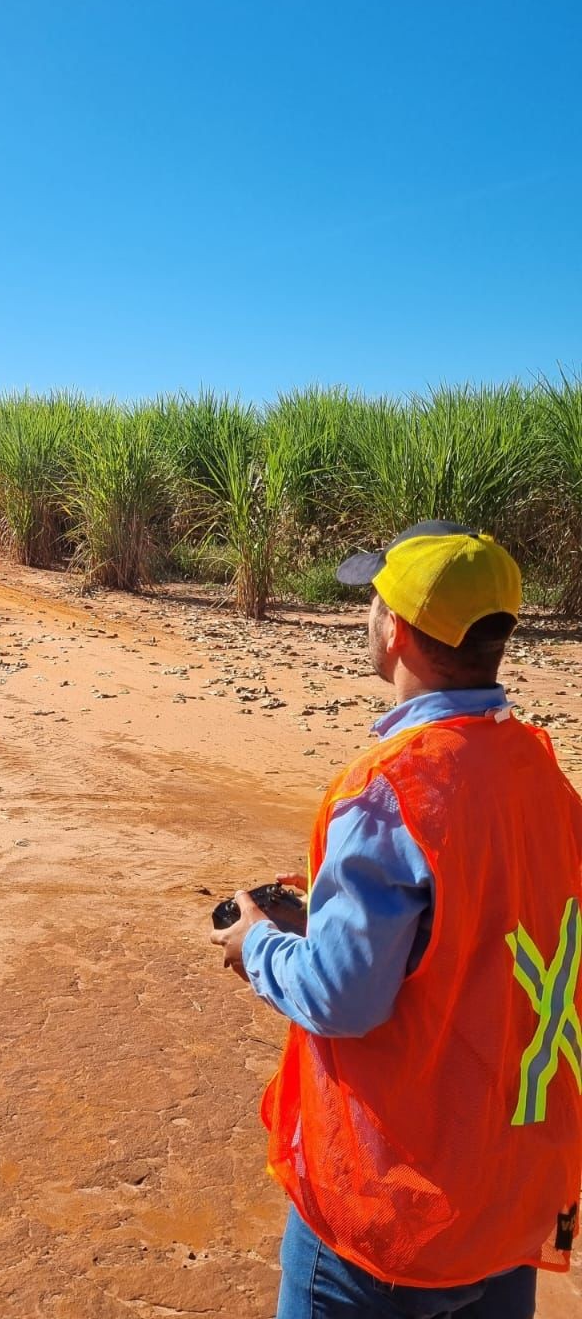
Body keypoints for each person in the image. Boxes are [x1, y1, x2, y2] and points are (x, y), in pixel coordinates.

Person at [211, 521, 582, 1319]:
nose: (367, 616)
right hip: (508, 1197)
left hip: (393, 1217)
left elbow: (346, 999)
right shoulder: (543, 777)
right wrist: (332, 919)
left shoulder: (391, 790)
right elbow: (477, 937)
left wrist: (260, 944)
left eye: (375, 602)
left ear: (399, 633)